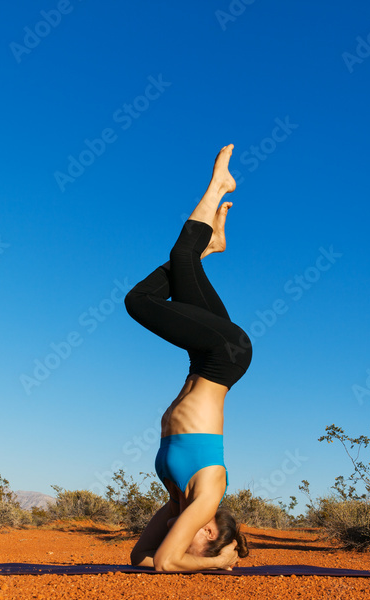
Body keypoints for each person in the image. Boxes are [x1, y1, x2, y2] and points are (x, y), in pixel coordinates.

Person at [124, 144, 252, 572]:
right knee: (139, 300)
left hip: (205, 359)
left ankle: (210, 246)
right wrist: (216, 566)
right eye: (196, 545)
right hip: (225, 356)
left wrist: (180, 547)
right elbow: (167, 563)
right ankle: (218, 186)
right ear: (211, 532)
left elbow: (142, 558)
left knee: (178, 267)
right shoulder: (209, 492)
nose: (182, 540)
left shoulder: (178, 497)